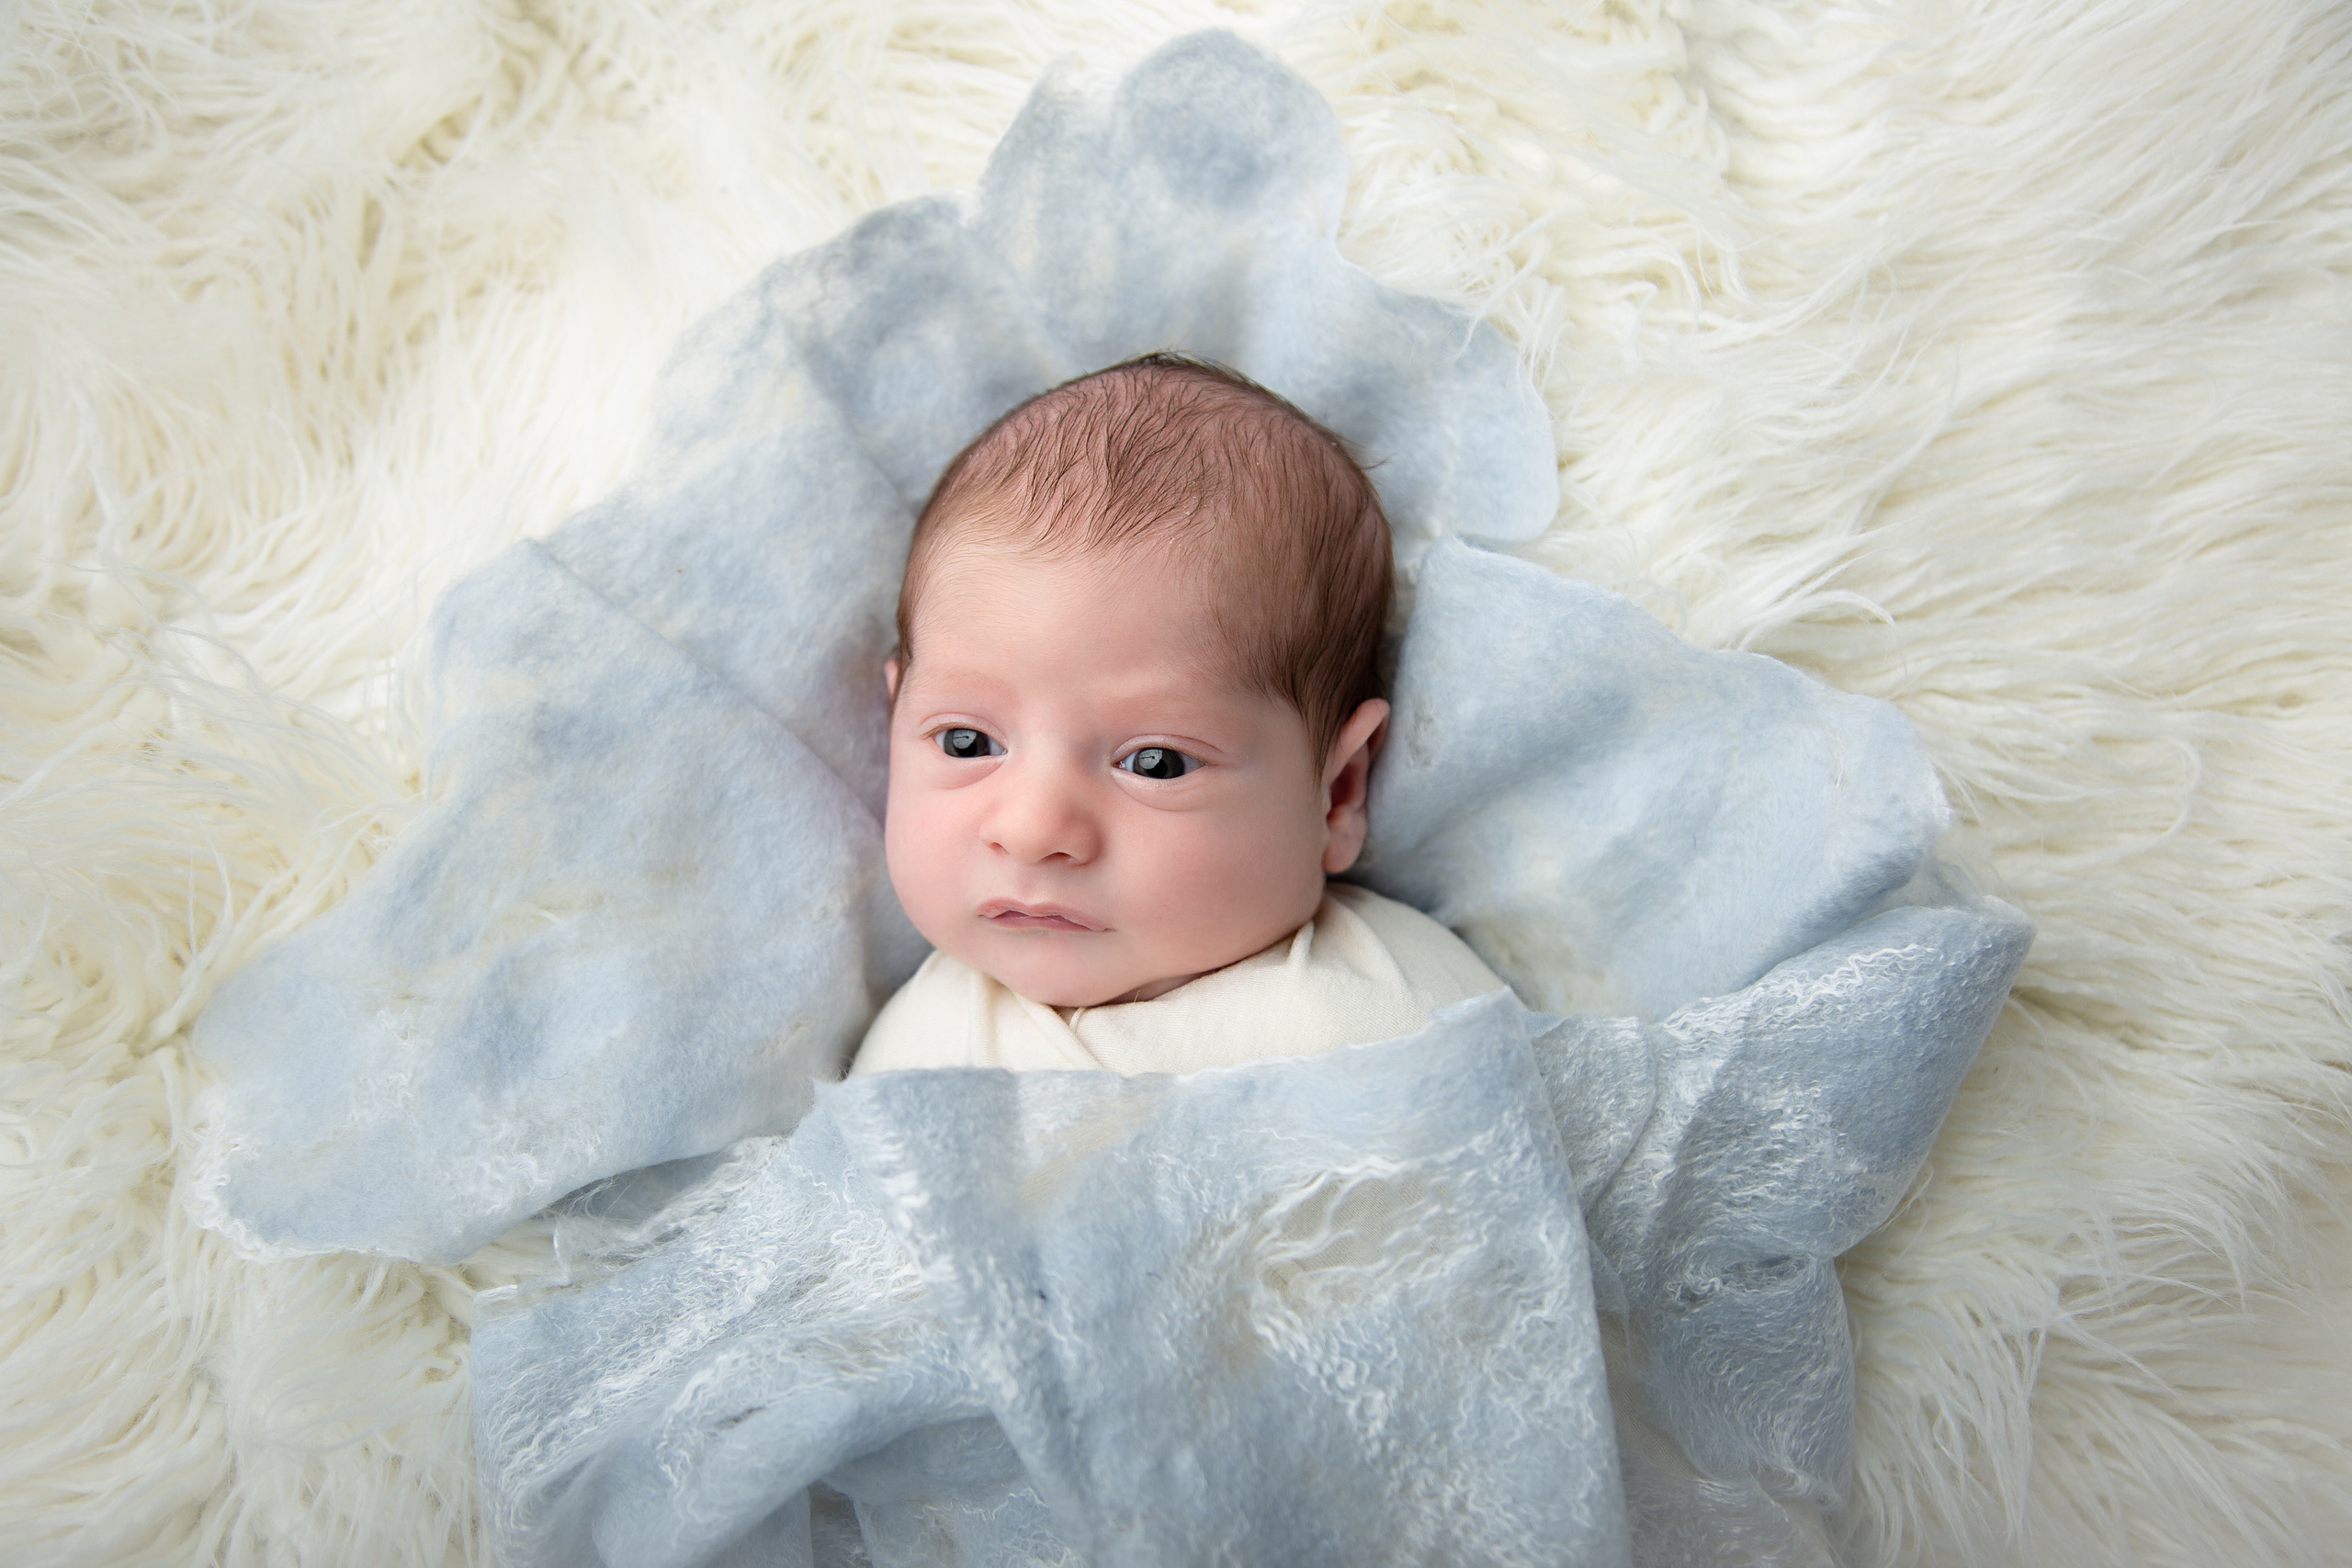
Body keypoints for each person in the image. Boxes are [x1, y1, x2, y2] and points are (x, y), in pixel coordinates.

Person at [851, 355, 1505, 1076]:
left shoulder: (1398, 1018)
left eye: (1155, 763)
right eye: (968, 742)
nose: (1033, 831)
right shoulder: (915, 1052)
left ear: (1339, 788)